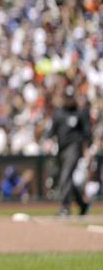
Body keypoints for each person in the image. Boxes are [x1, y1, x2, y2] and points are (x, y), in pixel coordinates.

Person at [49, 84, 93, 216]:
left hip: (74, 148)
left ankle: (65, 207)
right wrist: (48, 141)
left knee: (66, 175)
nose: (69, 100)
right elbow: (51, 132)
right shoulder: (58, 114)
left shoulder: (80, 113)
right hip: (61, 149)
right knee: (65, 178)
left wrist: (88, 149)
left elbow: (87, 133)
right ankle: (82, 204)